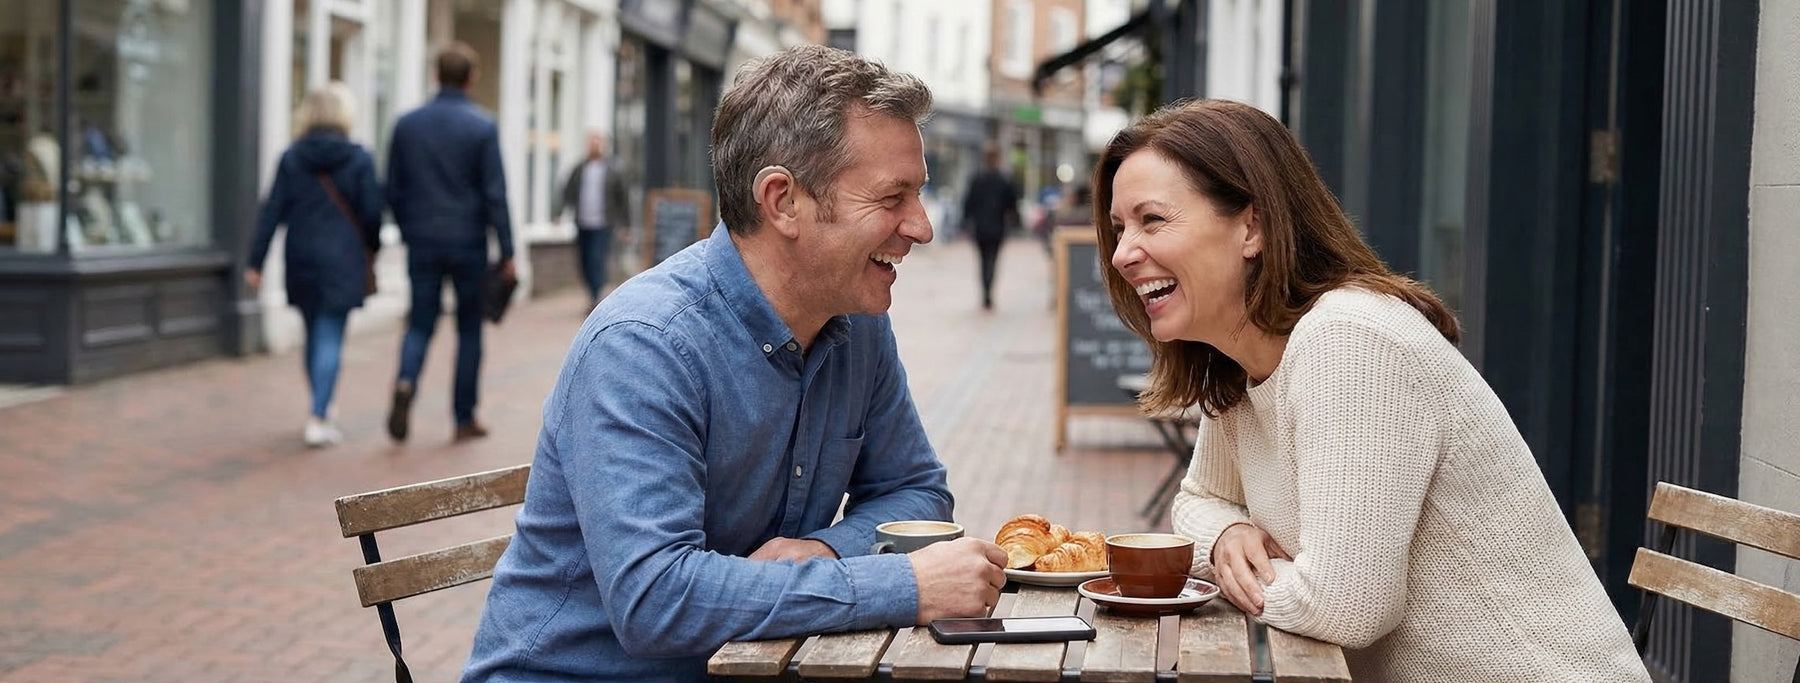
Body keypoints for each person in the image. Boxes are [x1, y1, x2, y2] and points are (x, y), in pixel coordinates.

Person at [459, 45, 1008, 683]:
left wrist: (823, 552)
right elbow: (655, 601)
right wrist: (898, 584)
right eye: (893, 197)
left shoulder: (855, 323)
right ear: (782, 201)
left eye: (919, 195)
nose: (920, 226)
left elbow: (915, 491)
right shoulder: (645, 344)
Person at [1095, 99, 1650, 682]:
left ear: (1251, 228)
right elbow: (1196, 501)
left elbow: (1347, 606)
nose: (1124, 253)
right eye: (1119, 229)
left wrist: (1235, 578)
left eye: (1152, 220)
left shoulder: (1351, 342)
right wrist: (1228, 536)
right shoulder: (1241, 362)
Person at [383, 42, 515, 443]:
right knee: (469, 329)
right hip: (468, 243)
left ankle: (406, 381)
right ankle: (463, 416)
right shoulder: (481, 126)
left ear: (435, 75)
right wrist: (507, 250)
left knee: (420, 322)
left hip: (422, 240)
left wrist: (409, 229)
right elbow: (495, 193)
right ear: (471, 78)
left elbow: (392, 188)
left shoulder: (407, 125)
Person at [244, 83, 382, 448]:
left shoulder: (291, 158)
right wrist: (373, 248)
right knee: (331, 334)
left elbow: (271, 211)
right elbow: (372, 214)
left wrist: (255, 261)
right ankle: (319, 415)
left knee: (313, 332)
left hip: (301, 255)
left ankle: (320, 404)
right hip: (343, 257)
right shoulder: (359, 158)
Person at [556, 131, 631, 307]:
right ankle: (592, 291)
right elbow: (568, 192)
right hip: (582, 222)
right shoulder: (580, 169)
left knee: (596, 258)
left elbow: (623, 199)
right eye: (591, 143)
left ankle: (595, 296)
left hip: (603, 224)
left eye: (597, 143)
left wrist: (626, 225)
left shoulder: (612, 170)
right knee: (584, 260)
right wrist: (558, 214)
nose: (594, 147)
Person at [961, 143, 1019, 310]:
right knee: (992, 260)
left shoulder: (977, 179)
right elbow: (1012, 204)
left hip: (980, 228)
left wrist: (965, 221)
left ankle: (985, 293)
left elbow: (968, 202)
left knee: (983, 261)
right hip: (997, 228)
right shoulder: (1004, 180)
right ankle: (988, 293)